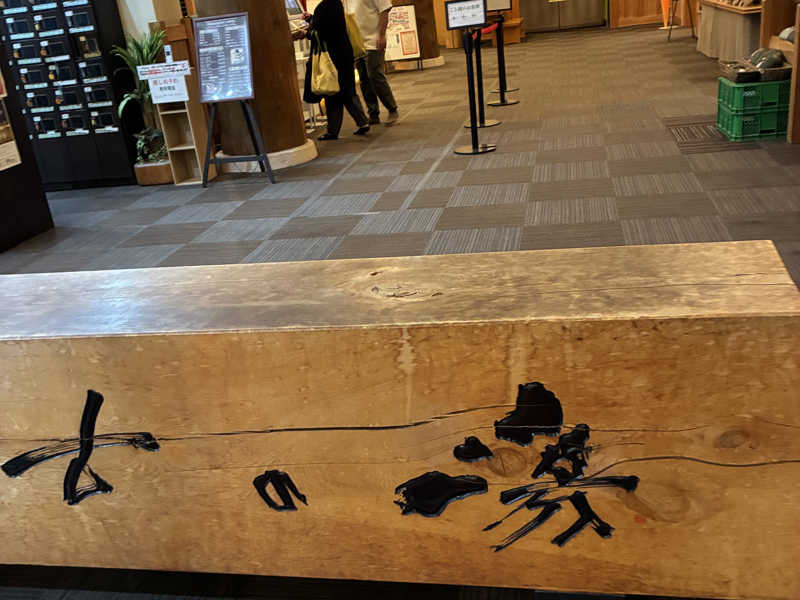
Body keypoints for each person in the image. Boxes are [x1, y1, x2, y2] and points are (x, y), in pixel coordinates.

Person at [302, 0, 370, 140]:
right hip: (343, 54)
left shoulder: (325, 6)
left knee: (333, 93)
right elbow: (328, 25)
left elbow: (323, 33)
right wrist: (311, 18)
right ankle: (363, 122)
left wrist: (306, 33)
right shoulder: (335, 4)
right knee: (347, 91)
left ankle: (333, 131)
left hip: (333, 57)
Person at [350, 0, 399, 126]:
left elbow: (384, 10)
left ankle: (392, 108)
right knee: (364, 80)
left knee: (375, 75)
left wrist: (382, 35)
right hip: (358, 44)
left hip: (373, 41)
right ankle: (373, 113)